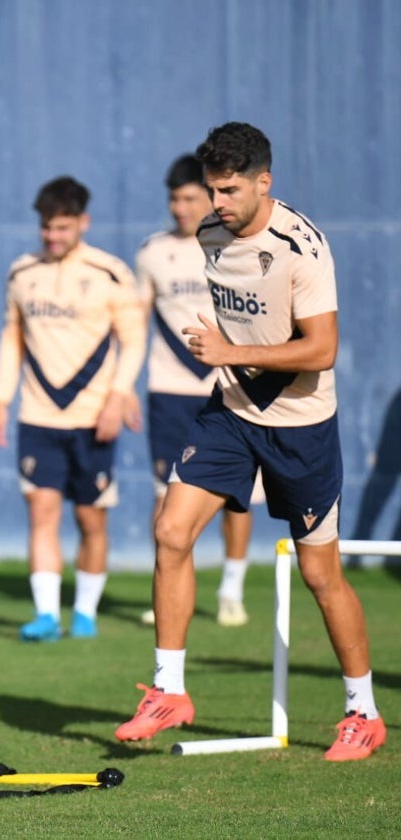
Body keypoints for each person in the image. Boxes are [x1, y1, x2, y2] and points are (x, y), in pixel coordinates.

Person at [115, 122, 386, 761]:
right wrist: (230, 355)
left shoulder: (303, 247)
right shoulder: (210, 232)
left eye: (230, 190)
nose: (218, 204)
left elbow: (323, 349)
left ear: (265, 182)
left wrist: (230, 348)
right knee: (170, 531)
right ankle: (169, 690)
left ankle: (363, 712)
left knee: (321, 574)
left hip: (301, 427)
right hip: (231, 412)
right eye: (212, 190)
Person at [0, 176, 145, 642]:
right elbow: (10, 339)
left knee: (91, 519)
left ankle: (86, 612)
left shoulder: (110, 273)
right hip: (37, 417)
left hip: (95, 418)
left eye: (62, 227)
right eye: (46, 228)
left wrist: (118, 395)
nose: (53, 237)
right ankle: (46, 615)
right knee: (42, 512)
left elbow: (134, 340)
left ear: (82, 223)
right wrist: (1, 400)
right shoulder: (21, 273)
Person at [136, 154, 257, 629]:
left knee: (236, 496)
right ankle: (165, 585)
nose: (181, 207)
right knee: (165, 492)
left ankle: (231, 590)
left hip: (226, 387)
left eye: (190, 197)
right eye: (174, 198)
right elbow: (135, 322)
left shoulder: (231, 245)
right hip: (167, 389)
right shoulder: (151, 252)